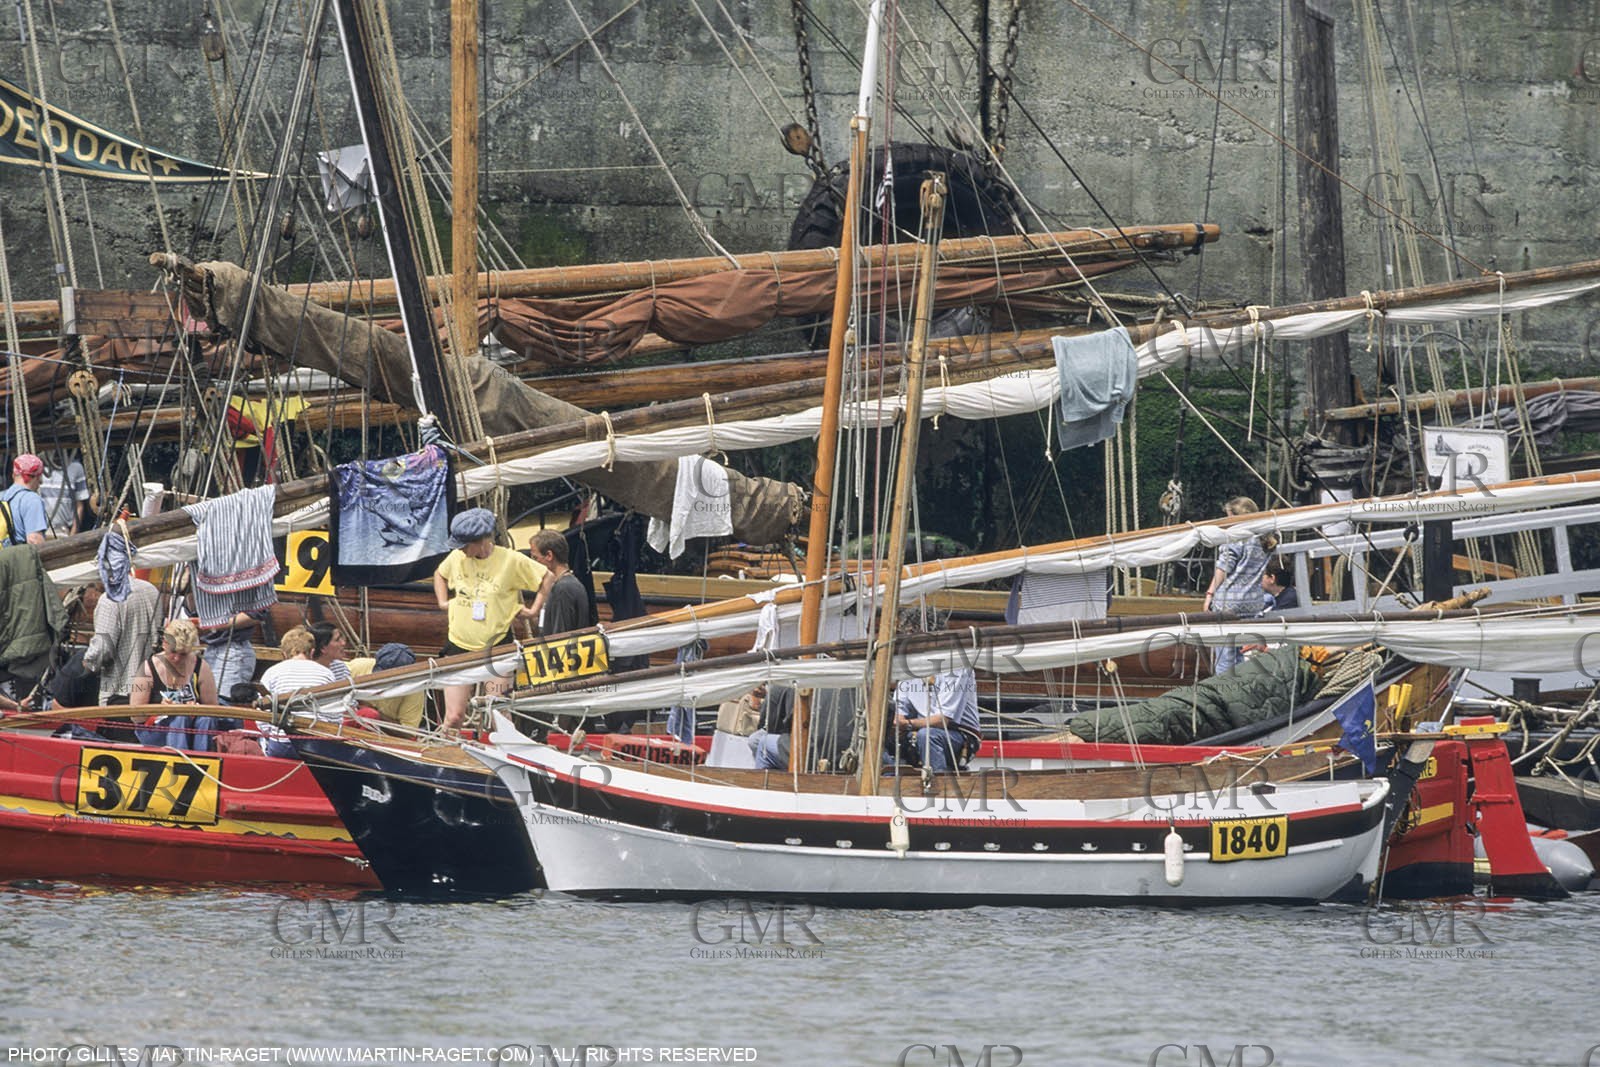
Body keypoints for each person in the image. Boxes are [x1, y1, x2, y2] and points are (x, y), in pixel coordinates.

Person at [433, 508, 549, 731]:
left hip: (496, 647)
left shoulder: (510, 560)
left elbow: (546, 577)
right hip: (458, 644)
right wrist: (442, 601)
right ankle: (447, 755)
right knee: (454, 716)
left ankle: (509, 756)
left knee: (499, 713)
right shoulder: (456, 557)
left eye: (465, 545)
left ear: (482, 541)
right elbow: (440, 573)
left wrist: (533, 610)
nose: (461, 550)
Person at [1202, 496, 1277, 676]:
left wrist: (1209, 594)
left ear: (1237, 517)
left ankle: (1224, 691)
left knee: (1225, 660)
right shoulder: (1264, 540)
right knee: (1241, 657)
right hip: (1253, 604)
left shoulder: (1235, 539)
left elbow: (1223, 568)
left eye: (1229, 517)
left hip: (1228, 604)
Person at [130, 618, 223, 750]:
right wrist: (160, 708)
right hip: (156, 731)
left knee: (205, 719)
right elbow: (135, 717)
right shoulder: (147, 669)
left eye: (183, 654)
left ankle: (202, 761)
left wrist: (198, 708)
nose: (177, 659)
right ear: (164, 644)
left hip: (192, 728)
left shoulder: (201, 667)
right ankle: (178, 761)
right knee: (179, 717)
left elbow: (214, 710)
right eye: (173, 652)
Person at [82, 575, 164, 708]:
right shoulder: (151, 590)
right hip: (151, 690)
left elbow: (102, 648)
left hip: (119, 693)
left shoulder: (110, 599)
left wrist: (88, 662)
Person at [256, 627, 338, 757]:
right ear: (311, 652)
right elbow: (335, 716)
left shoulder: (271, 672)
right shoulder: (327, 674)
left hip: (282, 744)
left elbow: (261, 715)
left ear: (284, 654)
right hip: (317, 744)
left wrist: (269, 733)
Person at [531, 529, 592, 636]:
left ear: (549, 556)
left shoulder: (563, 589)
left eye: (536, 558)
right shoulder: (566, 585)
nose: (534, 564)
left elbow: (560, 638)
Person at [36, 450, 90, 537]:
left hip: (63, 531)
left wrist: (73, 533)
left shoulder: (76, 468)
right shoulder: (36, 467)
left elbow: (79, 505)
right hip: (40, 532)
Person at [1, 453, 48, 546]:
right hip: (19, 558)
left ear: (13, 475)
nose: (41, 482)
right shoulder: (32, 500)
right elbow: (34, 540)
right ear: (37, 477)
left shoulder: (2, 496)